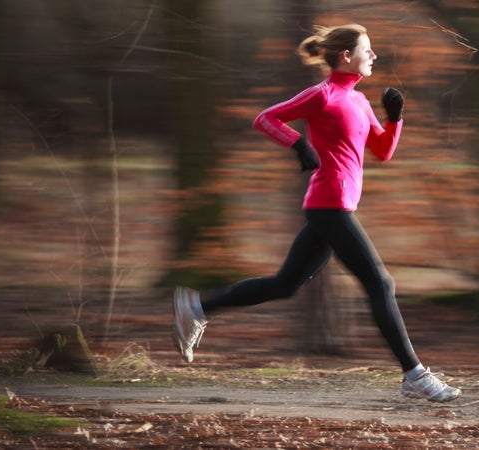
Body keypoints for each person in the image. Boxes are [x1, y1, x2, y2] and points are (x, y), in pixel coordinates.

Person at [173, 24, 460, 402]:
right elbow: (266, 118)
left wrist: (395, 118)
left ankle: (196, 306)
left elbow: (383, 151)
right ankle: (415, 376)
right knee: (381, 284)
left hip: (334, 206)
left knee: (285, 284)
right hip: (330, 203)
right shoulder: (322, 95)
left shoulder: (357, 100)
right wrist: (298, 144)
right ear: (346, 56)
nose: (374, 56)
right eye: (367, 49)